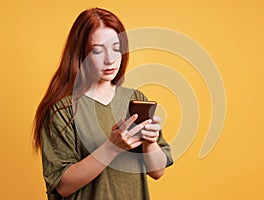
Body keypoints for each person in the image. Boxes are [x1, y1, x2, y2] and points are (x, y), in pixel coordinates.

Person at [32, 7, 173, 200]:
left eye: (116, 48)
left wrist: (150, 142)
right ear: (80, 53)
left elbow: (157, 172)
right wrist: (113, 147)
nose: (110, 60)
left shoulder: (135, 98)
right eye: (98, 51)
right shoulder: (63, 109)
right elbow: (62, 186)